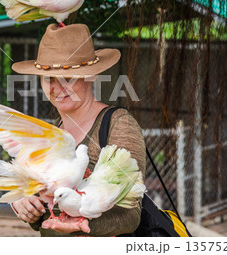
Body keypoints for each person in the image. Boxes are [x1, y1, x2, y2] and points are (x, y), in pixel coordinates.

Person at [9, 23, 146, 237]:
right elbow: (44, 213)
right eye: (48, 78)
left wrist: (82, 224)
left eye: (68, 77)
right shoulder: (51, 135)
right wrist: (27, 206)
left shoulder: (118, 124)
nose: (56, 88)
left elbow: (131, 214)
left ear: (91, 75)